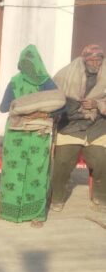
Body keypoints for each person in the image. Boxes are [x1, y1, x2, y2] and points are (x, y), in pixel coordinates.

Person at [0, 45, 60, 227]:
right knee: (13, 172)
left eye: (30, 64)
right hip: (17, 135)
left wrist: (43, 112)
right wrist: (25, 107)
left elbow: (61, 106)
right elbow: (4, 107)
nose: (27, 68)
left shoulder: (47, 83)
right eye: (25, 64)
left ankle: (36, 214)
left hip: (38, 134)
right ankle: (8, 210)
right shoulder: (16, 82)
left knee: (36, 172)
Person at [51, 44, 106, 212]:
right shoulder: (66, 74)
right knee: (62, 161)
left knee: (102, 161)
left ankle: (100, 198)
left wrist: (97, 104)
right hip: (71, 125)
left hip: (97, 126)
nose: (96, 63)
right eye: (92, 60)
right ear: (84, 60)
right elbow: (54, 97)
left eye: (99, 60)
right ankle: (57, 198)